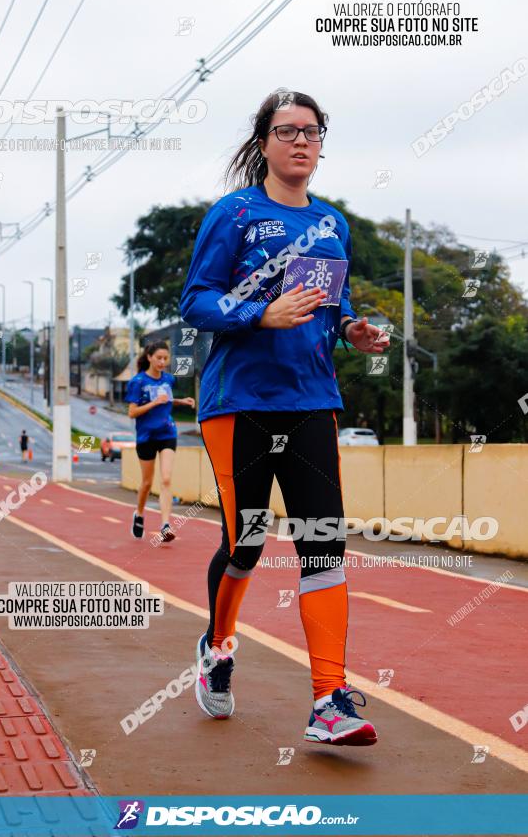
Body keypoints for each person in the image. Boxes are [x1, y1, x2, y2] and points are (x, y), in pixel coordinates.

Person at [180, 90, 390, 745]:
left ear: (321, 143)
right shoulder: (234, 213)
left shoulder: (332, 223)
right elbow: (196, 301)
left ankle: (329, 699)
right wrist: (255, 314)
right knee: (245, 542)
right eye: (286, 130)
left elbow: (332, 301)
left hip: (311, 400)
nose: (300, 141)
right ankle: (217, 648)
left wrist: (352, 327)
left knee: (323, 544)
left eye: (311, 131)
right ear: (264, 143)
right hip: (239, 402)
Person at [125, 341, 195, 543]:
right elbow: (132, 412)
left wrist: (182, 401)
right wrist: (154, 403)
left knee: (165, 479)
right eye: (159, 358)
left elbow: (167, 400)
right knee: (147, 483)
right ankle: (139, 514)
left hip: (167, 433)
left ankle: (165, 525)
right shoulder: (138, 382)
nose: (163, 362)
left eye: (166, 358)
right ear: (149, 357)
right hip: (146, 436)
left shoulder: (169, 380)